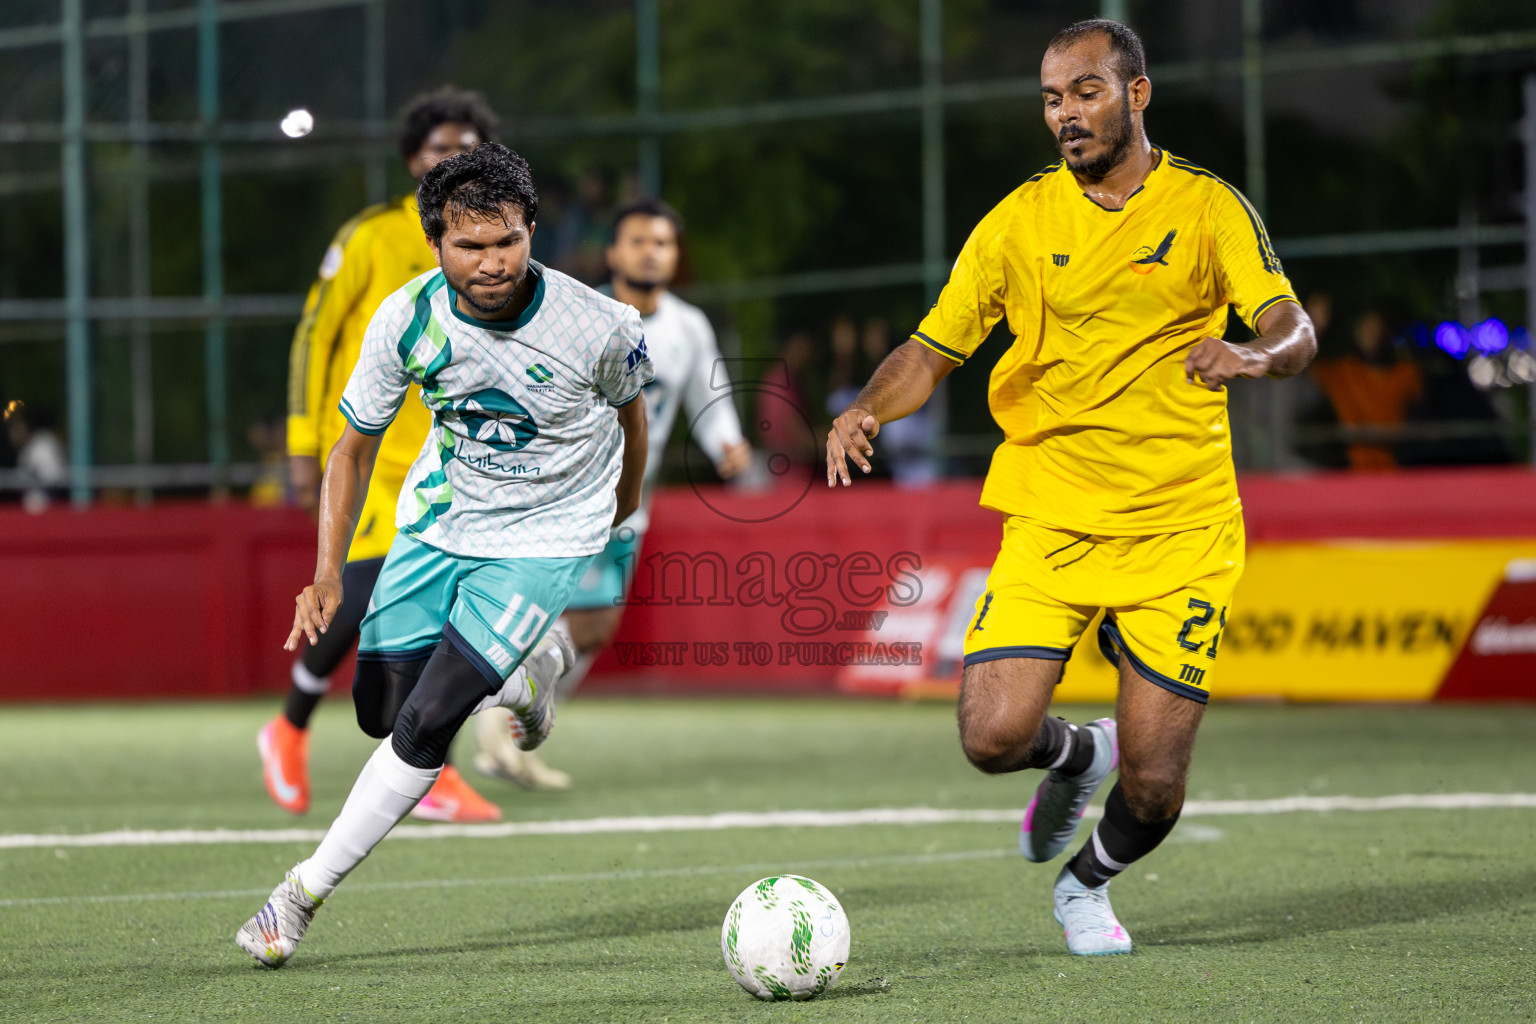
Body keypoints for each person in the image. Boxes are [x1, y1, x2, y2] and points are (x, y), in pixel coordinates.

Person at [826, 18, 1315, 957]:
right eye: (1051, 99)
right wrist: (868, 409)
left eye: (1085, 92)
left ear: (1136, 93)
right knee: (990, 737)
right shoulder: (1016, 221)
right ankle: (1075, 751)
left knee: (1156, 787)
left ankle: (1086, 884)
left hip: (1181, 530)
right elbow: (934, 348)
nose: (1065, 115)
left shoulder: (1209, 208)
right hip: (1052, 516)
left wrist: (1253, 354)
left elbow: (1293, 328)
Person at [236, 142, 652, 967]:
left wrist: (621, 509)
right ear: (436, 245)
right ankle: (533, 669)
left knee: (428, 724)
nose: (492, 263)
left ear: (531, 228)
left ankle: (298, 897)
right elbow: (350, 450)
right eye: (470, 246)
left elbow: (633, 419)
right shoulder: (406, 319)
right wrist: (325, 572)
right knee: (381, 712)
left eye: (506, 240)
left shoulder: (600, 326)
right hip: (439, 522)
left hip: (545, 534)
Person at [262, 87, 505, 823]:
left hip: (456, 459)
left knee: (451, 611)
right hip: (374, 458)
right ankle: (289, 727)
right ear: (413, 162)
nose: (453, 164)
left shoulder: (495, 241)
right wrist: (306, 442)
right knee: (363, 592)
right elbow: (315, 334)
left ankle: (433, 770)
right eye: (440, 152)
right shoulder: (370, 237)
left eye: (467, 152)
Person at [474, 197, 751, 790]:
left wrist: (727, 440)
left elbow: (709, 397)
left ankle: (515, 719)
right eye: (639, 241)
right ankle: (490, 714)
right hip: (561, 492)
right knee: (540, 609)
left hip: (628, 502)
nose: (652, 252)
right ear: (614, 252)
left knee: (595, 626)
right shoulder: (580, 312)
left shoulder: (688, 327)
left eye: (664, 243)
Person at [1310, 305, 1422, 471]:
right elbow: (1304, 364)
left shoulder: (1406, 373)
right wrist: (1314, 328)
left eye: (1377, 328)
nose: (1371, 334)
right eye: (1366, 328)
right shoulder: (1343, 372)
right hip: (1354, 469)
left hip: (1399, 467)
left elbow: (1423, 412)